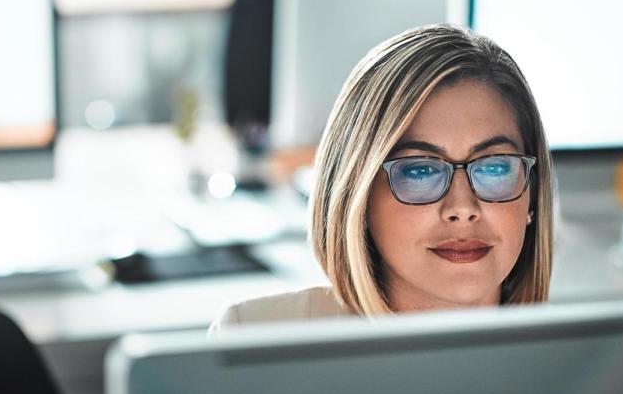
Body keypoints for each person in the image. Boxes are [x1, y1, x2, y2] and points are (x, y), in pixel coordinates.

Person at [209, 23, 555, 333]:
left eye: (495, 167)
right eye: (420, 170)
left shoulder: (589, 363)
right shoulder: (254, 341)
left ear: (532, 198)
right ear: (357, 198)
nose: (463, 208)